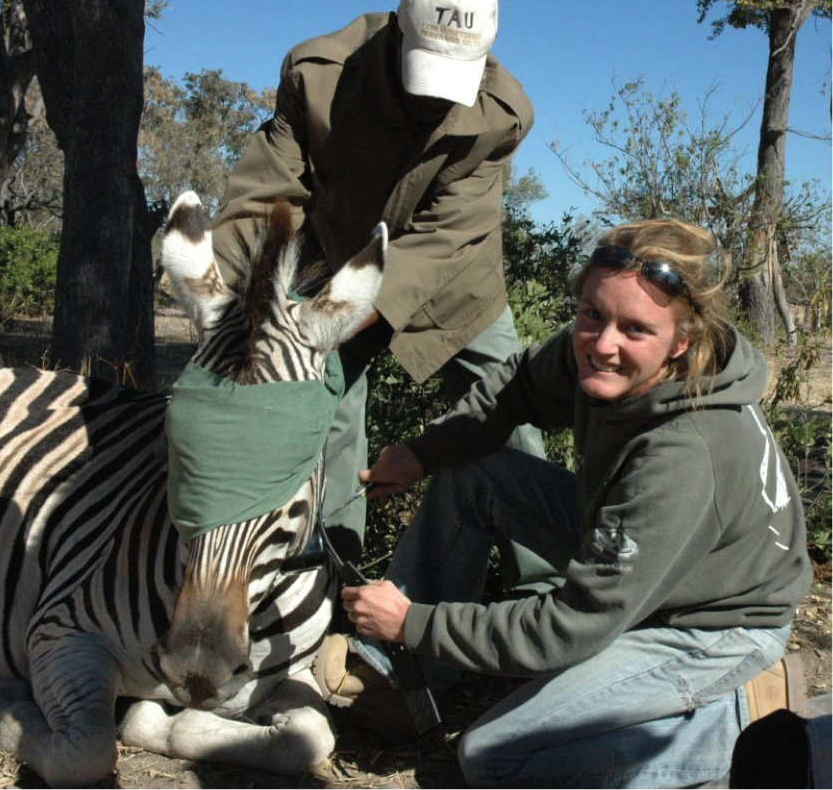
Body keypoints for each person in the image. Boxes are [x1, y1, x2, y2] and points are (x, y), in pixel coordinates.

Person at [325, 218, 814, 788]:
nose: (603, 345)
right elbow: (519, 386)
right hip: (651, 563)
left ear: (682, 342)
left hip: (712, 623)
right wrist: (422, 453)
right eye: (591, 315)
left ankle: (733, 726)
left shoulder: (684, 456)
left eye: (635, 330)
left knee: (496, 758)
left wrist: (414, 622)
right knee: (477, 471)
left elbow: (573, 625)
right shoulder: (602, 349)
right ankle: (409, 678)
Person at [208, 0, 547, 583]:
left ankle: (548, 588)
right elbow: (264, 200)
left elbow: (440, 242)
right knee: (329, 418)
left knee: (508, 410)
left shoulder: (501, 112)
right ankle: (336, 586)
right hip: (334, 267)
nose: (437, 95)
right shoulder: (318, 76)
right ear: (396, 32)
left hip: (456, 287)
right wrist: (241, 305)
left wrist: (329, 322)